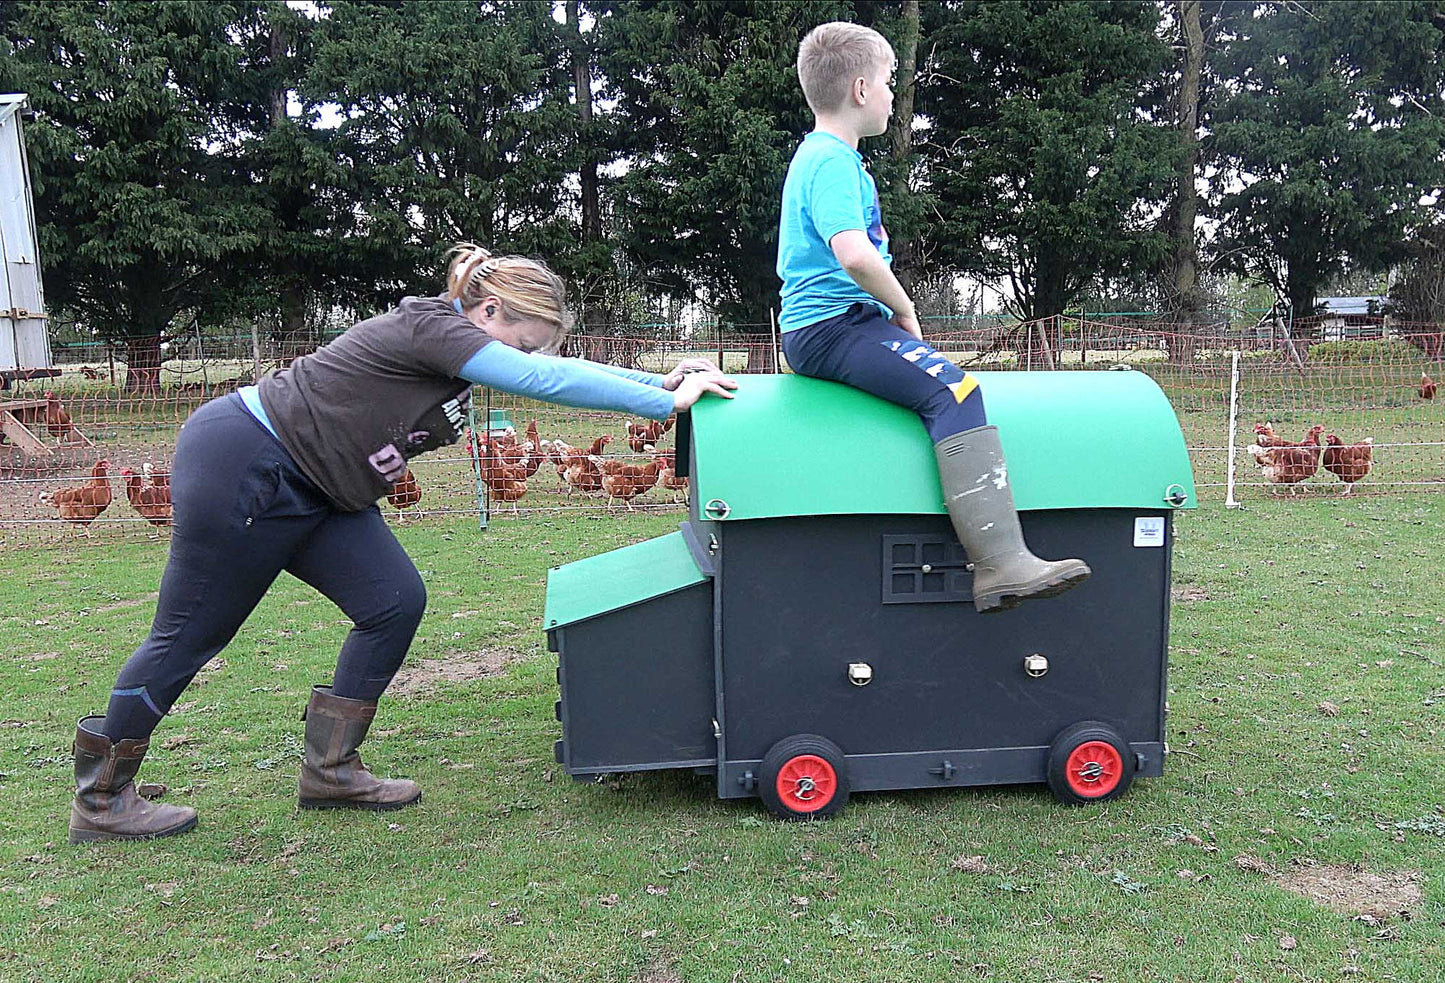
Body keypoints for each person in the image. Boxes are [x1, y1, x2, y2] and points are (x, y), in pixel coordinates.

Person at [67, 245, 737, 843]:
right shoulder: (433, 325)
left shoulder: (461, 339)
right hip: (249, 461)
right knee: (189, 634)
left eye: (530, 347)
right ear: (490, 308)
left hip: (319, 487)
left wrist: (663, 382)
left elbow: (551, 368)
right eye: (521, 343)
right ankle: (102, 794)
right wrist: (660, 405)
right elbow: (543, 379)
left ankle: (330, 770)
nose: (523, 360)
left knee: (392, 600)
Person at [778, 22, 1089, 614]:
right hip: (833, 326)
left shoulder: (817, 158)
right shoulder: (832, 161)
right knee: (957, 391)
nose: (896, 97)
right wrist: (903, 305)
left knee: (946, 386)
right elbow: (852, 252)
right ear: (862, 90)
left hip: (834, 325)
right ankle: (1000, 564)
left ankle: (1000, 555)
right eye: (892, 83)